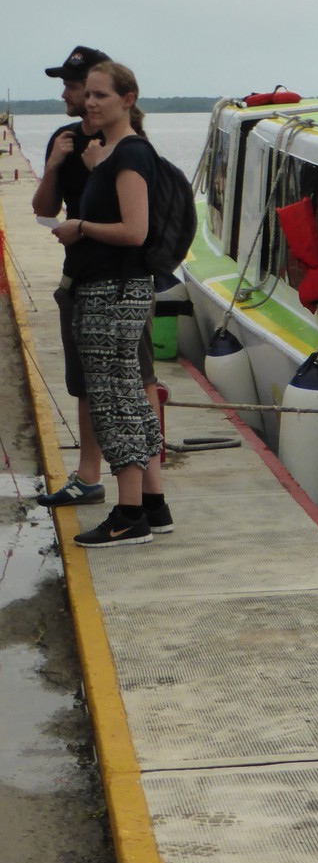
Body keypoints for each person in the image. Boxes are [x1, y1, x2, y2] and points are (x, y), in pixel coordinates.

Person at [32, 46, 166, 524]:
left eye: (94, 93)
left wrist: (82, 225)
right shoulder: (80, 146)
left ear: (124, 98)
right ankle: (148, 502)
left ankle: (135, 506)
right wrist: (63, 167)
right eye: (81, 92)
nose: (83, 100)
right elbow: (45, 208)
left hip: (116, 287)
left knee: (124, 391)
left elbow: (134, 229)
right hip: (93, 283)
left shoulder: (127, 151)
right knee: (111, 390)